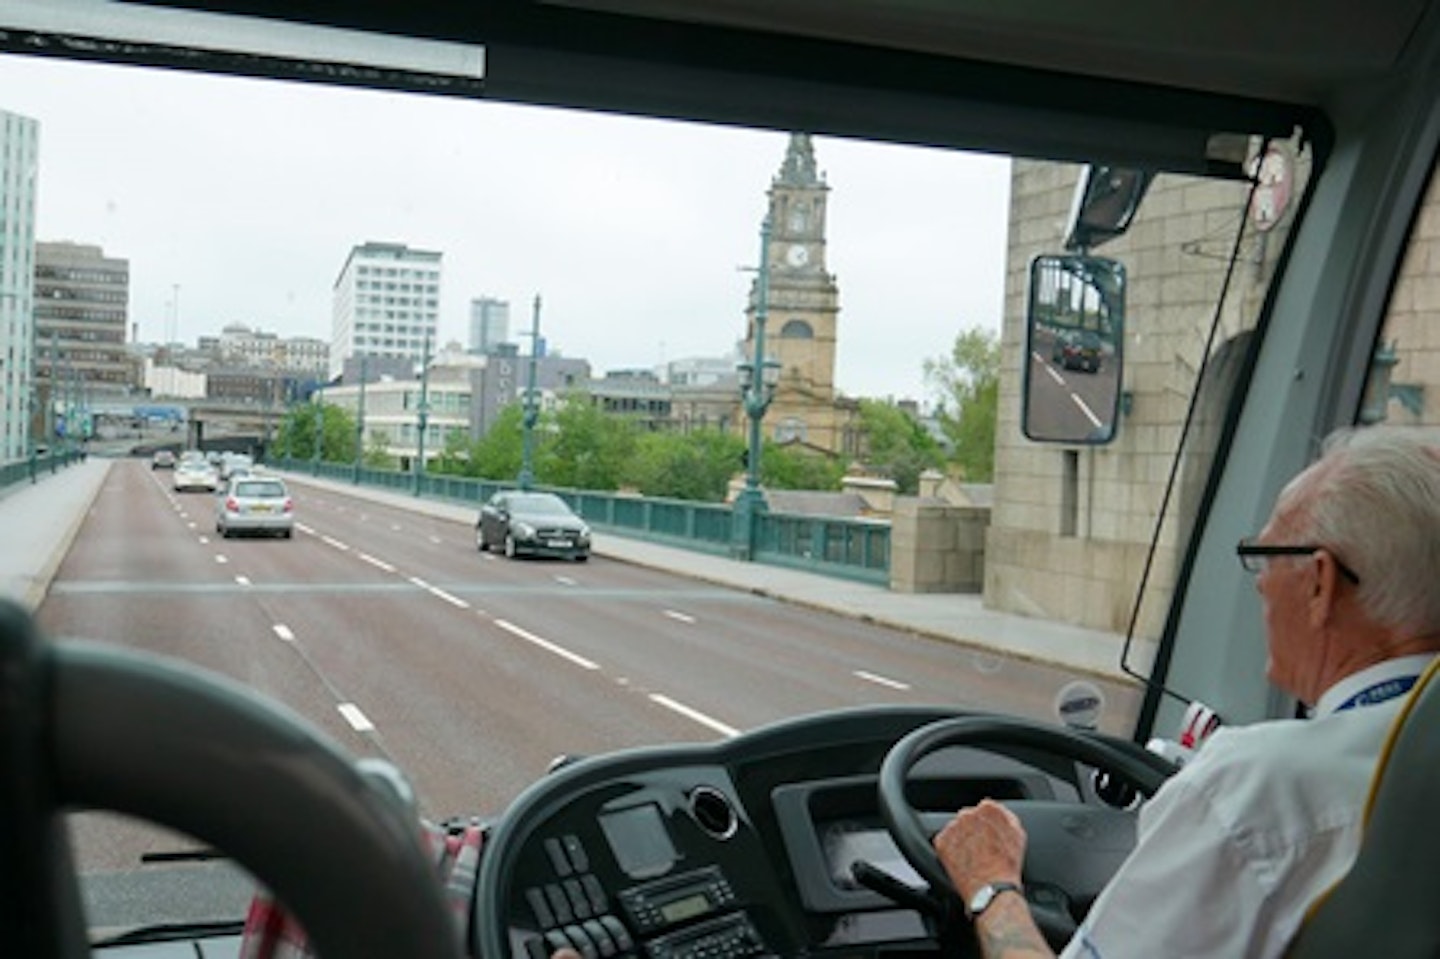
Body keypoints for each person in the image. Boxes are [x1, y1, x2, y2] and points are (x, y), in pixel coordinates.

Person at [934, 424, 1440, 959]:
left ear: (1320, 582)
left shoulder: (1257, 792)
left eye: (1265, 555)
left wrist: (991, 885)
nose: (1259, 583)